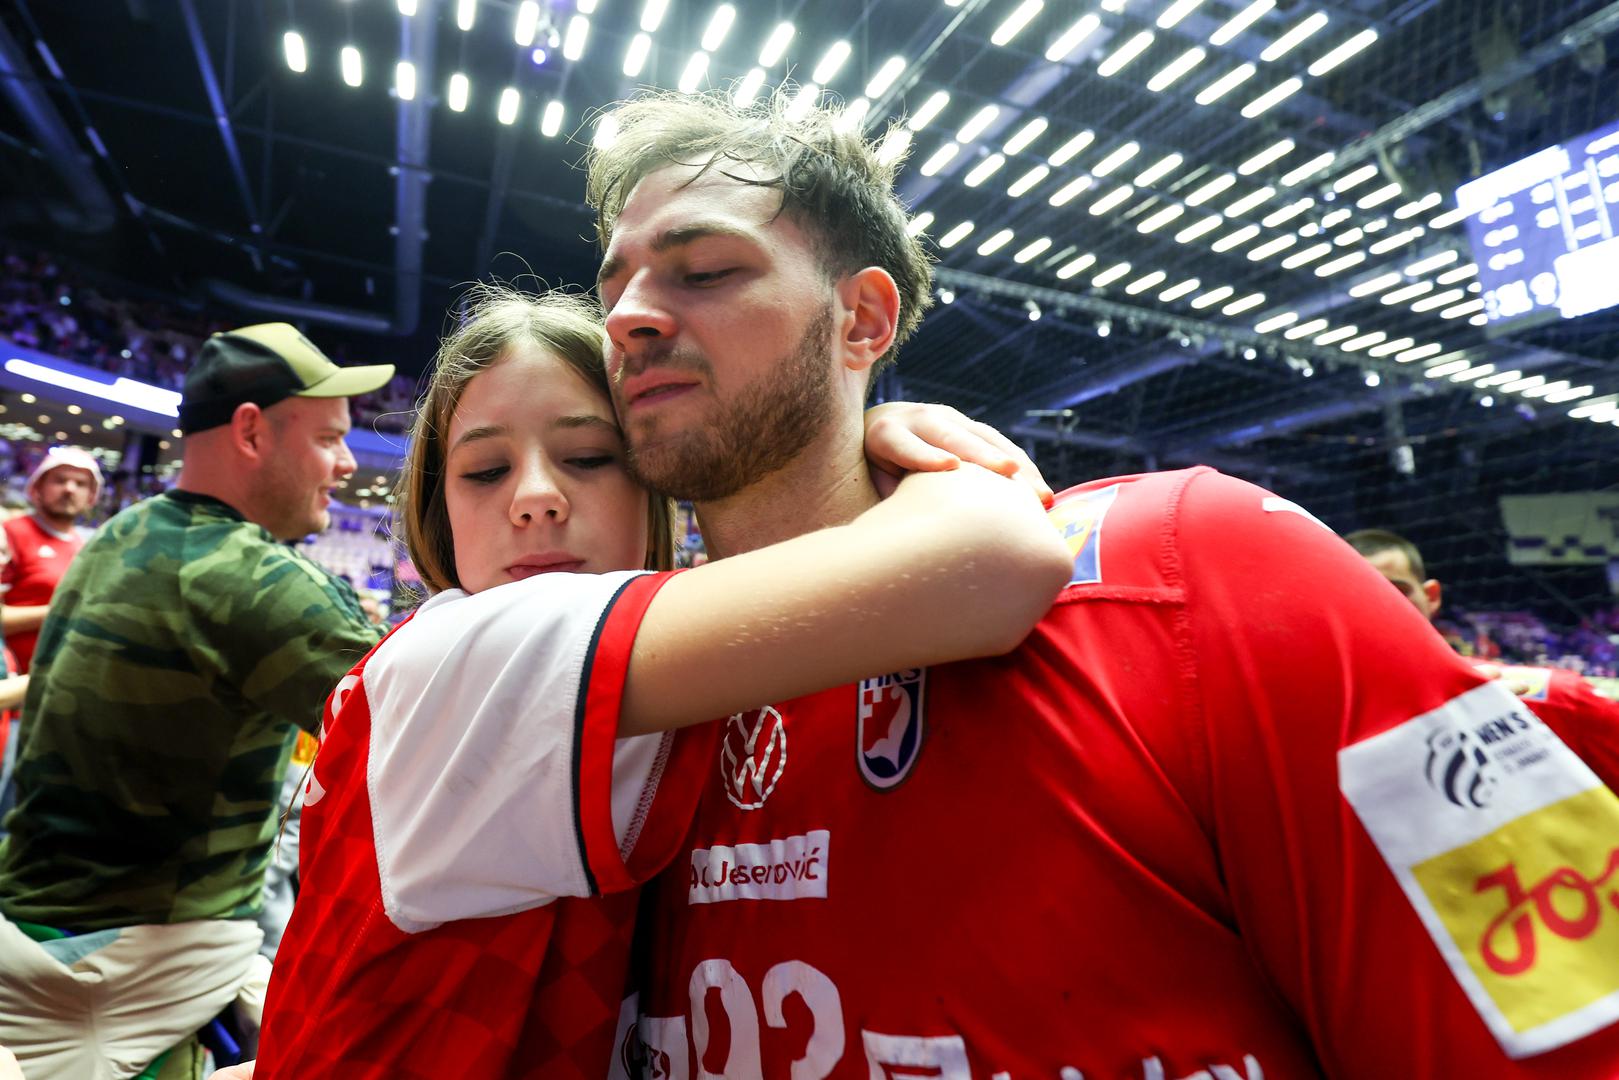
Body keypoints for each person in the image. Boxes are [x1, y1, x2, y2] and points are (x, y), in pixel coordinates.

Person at [571, 91, 1619, 1076]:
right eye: (612, 285)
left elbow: (1575, 1013)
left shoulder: (1202, 572)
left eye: (702, 269)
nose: (629, 316)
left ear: (861, 321)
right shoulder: (601, 712)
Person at [246, 285, 1068, 1077]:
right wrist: (886, 441)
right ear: (439, 512)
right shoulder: (474, 656)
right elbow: (993, 562)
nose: (535, 497)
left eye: (588, 457)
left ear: (657, 491)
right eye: (485, 472)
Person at [0, 322, 393, 1079]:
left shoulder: (125, 530)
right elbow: (459, 730)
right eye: (329, 440)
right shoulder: (244, 574)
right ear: (251, 431)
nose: (346, 465)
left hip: (48, 932)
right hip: (124, 982)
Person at [1346, 527, 1619, 784]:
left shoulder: (1558, 698)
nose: (1381, 605)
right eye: (1361, 594)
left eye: (1396, 590)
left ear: (1431, 596)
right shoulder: (1325, 726)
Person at [0, 445, 102, 673]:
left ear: (91, 496)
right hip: (11, 684)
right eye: (59, 480)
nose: (69, 489)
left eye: (80, 483)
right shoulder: (9, 534)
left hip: (57, 686)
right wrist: (60, 611)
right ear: (38, 487)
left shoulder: (86, 545)